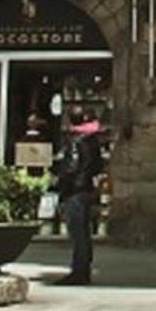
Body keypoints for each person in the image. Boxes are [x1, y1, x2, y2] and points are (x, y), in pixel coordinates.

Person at [53, 110, 108, 286]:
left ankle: (79, 271)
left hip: (75, 191)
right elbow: (98, 165)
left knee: (77, 234)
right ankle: (84, 268)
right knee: (84, 233)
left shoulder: (75, 142)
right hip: (86, 190)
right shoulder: (93, 141)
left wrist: (60, 183)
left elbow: (71, 167)